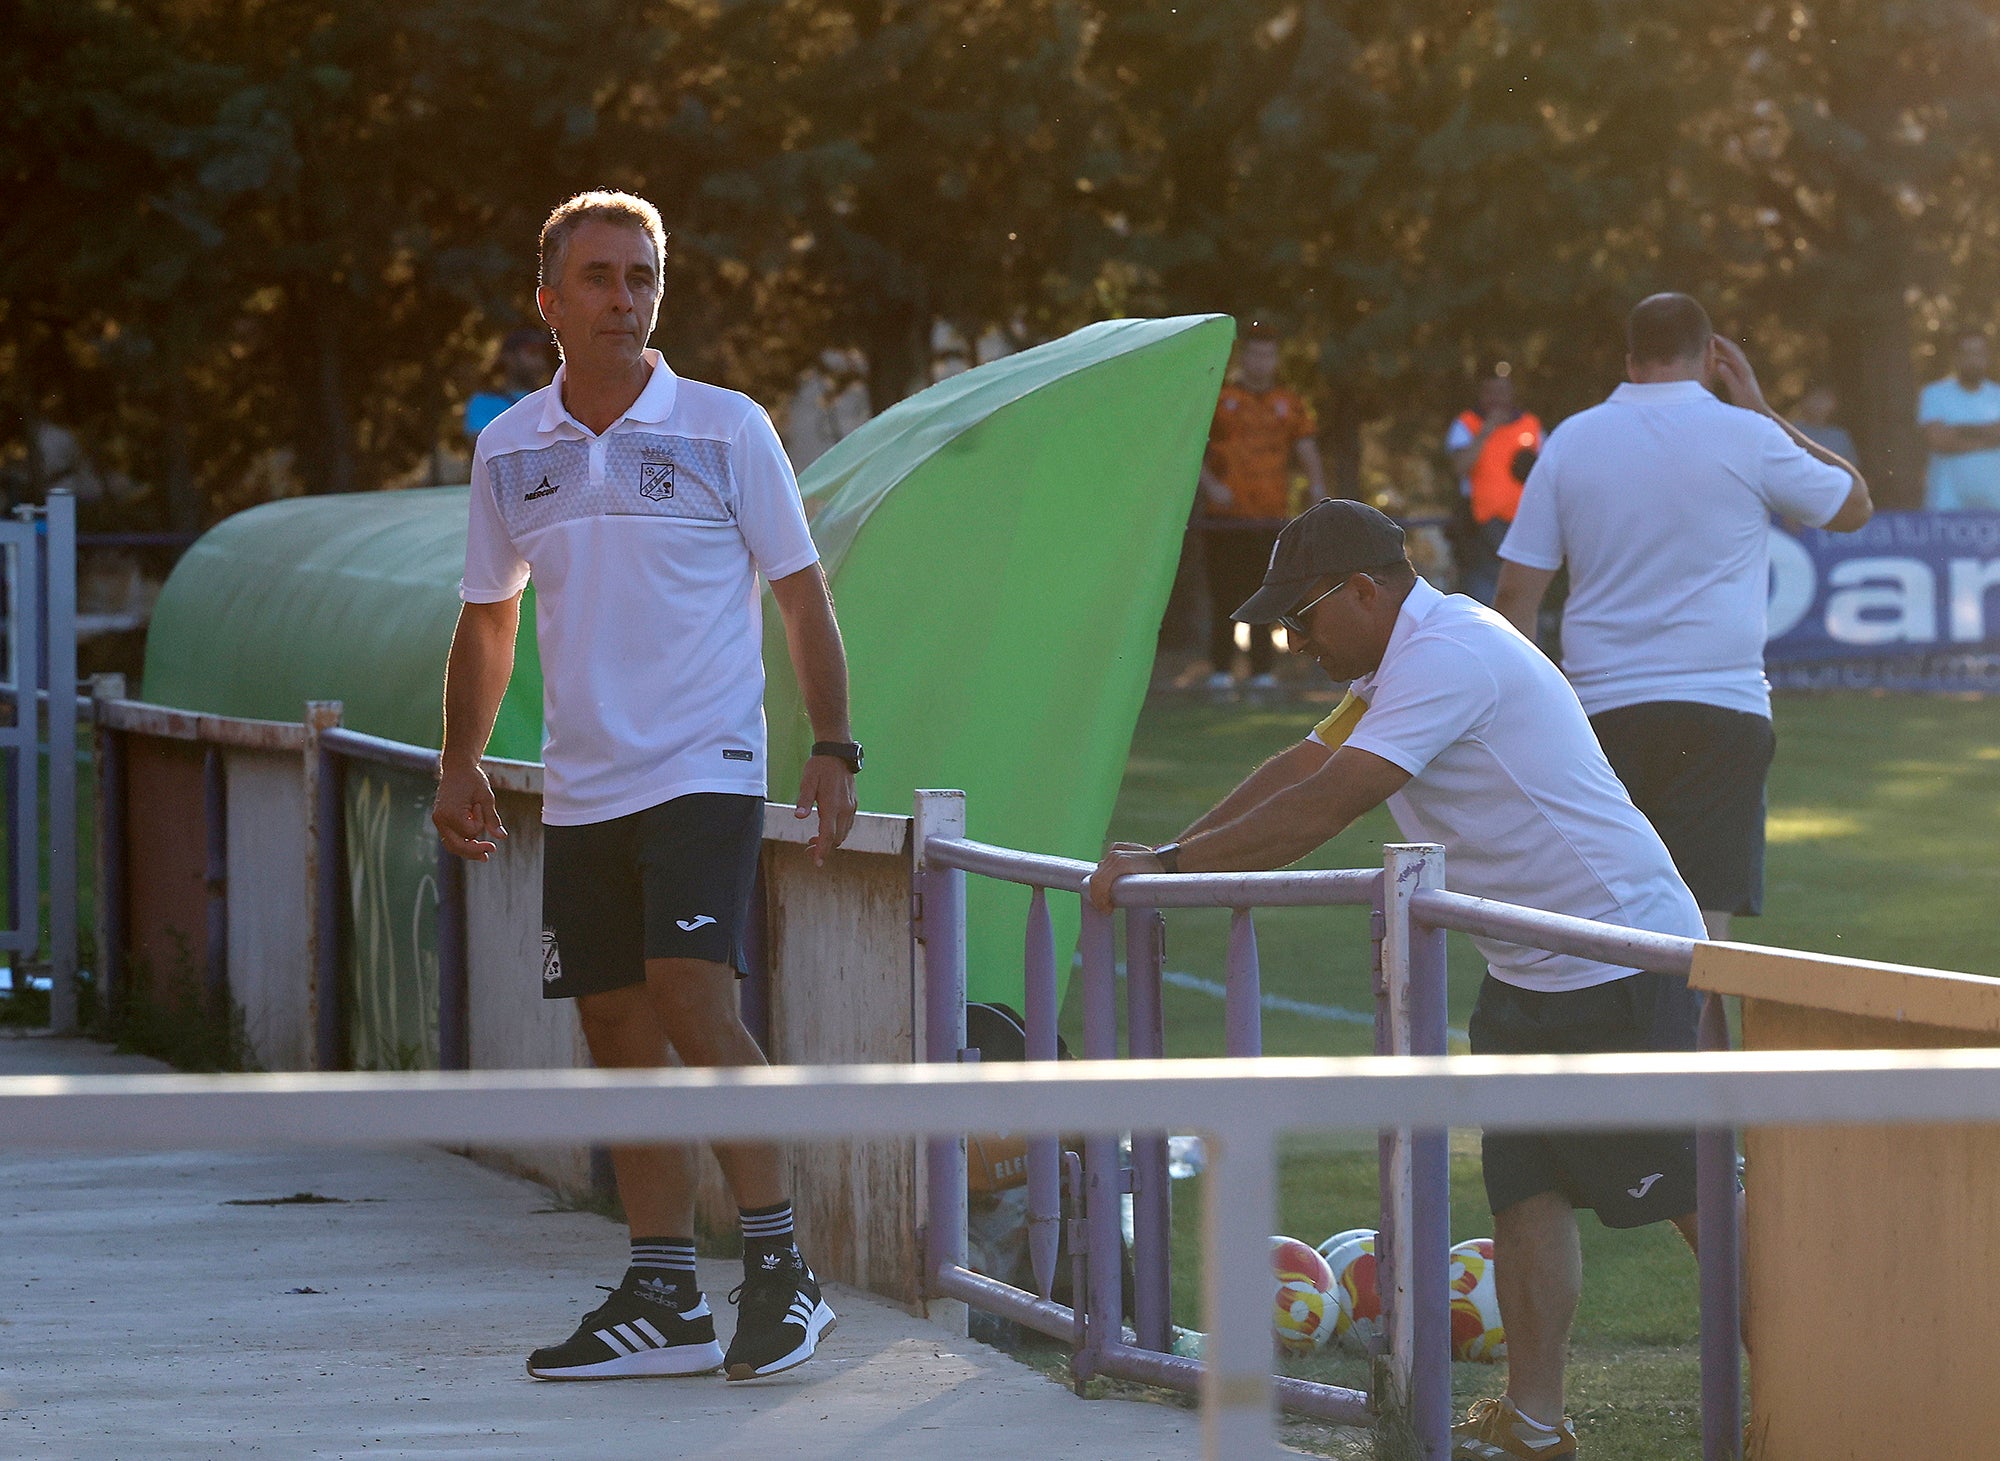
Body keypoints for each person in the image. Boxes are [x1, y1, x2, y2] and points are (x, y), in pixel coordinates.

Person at [1087, 500, 1708, 1460]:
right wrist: (1174, 853)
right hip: (1530, 960)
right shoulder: (1396, 661)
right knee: (1528, 1196)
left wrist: (1170, 872)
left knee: (1702, 1204)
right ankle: (1535, 1428)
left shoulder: (1447, 655)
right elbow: (1304, 761)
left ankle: (1821, 1386)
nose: (1294, 637)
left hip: (1616, 957)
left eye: (1304, 615)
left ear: (1365, 591)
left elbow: (1332, 802)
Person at [434, 190, 861, 1384]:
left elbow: (799, 593)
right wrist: (460, 759)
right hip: (582, 784)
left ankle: (781, 1272)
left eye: (643, 276)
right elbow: (485, 616)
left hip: (702, 766)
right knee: (616, 1025)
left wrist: (834, 744)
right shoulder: (510, 446)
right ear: (549, 302)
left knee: (689, 994)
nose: (625, 299)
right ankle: (663, 1293)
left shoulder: (729, 428)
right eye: (601, 278)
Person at [1494, 294, 1871, 941]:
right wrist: (1761, 406)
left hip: (1601, 716)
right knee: (1704, 940)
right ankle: (1703, 1045)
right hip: (1722, 711)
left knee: (1603, 934)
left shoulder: (1573, 439)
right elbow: (1855, 504)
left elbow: (1514, 598)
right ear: (1711, 356)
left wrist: (1529, 723)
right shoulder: (1748, 434)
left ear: (1631, 361)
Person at [1197, 325, 1327, 691]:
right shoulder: (1221, 399)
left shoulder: (1288, 402)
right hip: (1224, 518)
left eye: (1268, 355)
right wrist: (1211, 486)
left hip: (1271, 517)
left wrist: (1316, 488)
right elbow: (1194, 449)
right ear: (1243, 357)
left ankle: (1262, 673)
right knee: (1224, 592)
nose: (1261, 362)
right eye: (1255, 354)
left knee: (1266, 592)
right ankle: (1221, 671)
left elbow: (1305, 447)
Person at [1445, 373, 1543, 604]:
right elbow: (1459, 466)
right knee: (1483, 601)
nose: (1497, 399)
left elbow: (1547, 473)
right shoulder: (1467, 423)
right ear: (1482, 393)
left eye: (1502, 391)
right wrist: (1486, 431)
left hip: (1522, 525)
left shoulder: (1530, 425)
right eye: (1491, 392)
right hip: (1480, 529)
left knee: (1522, 600)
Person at [1918, 330, 2000, 511]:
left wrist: (1957, 432)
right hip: (1946, 506)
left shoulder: (1997, 395)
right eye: (1967, 353)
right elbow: (1937, 440)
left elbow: (1947, 438)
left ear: (1987, 356)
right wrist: (1990, 438)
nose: (1973, 360)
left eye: (1979, 353)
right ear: (1956, 357)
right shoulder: (1934, 394)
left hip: (1995, 508)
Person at [465, 328, 556, 442]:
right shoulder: (484, 402)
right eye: (532, 353)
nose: (540, 362)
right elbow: (483, 449)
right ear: (509, 357)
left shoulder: (552, 401)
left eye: (542, 355)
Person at [1790, 382, 1856, 463]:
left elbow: (1850, 467)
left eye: (1824, 397)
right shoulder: (1793, 432)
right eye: (1815, 396)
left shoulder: (1840, 436)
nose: (1819, 403)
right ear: (1804, 400)